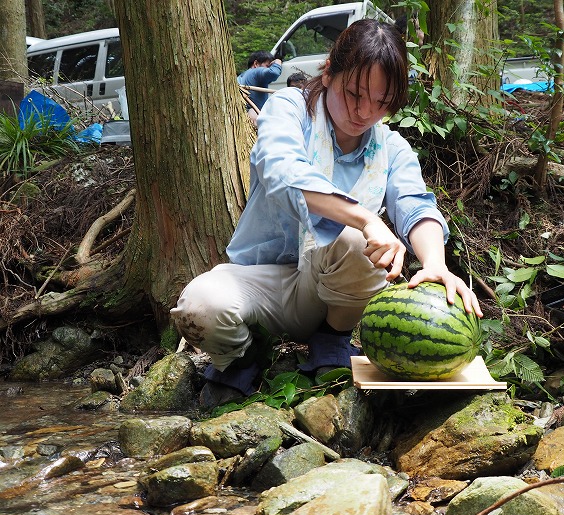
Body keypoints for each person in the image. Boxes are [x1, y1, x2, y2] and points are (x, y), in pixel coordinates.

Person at [171, 19, 483, 408]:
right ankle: (245, 356)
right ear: (330, 71)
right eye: (354, 93)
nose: (365, 111)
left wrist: (435, 262)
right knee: (199, 308)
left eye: (381, 102)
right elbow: (280, 169)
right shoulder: (291, 109)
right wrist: (366, 218)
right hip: (264, 282)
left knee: (356, 242)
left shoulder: (391, 148)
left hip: (334, 295)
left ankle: (332, 339)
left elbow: (415, 205)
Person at [237, 50, 282, 126]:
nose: (268, 69)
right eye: (268, 66)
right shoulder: (256, 72)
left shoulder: (240, 78)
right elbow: (274, 73)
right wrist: (278, 62)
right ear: (256, 64)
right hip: (254, 119)